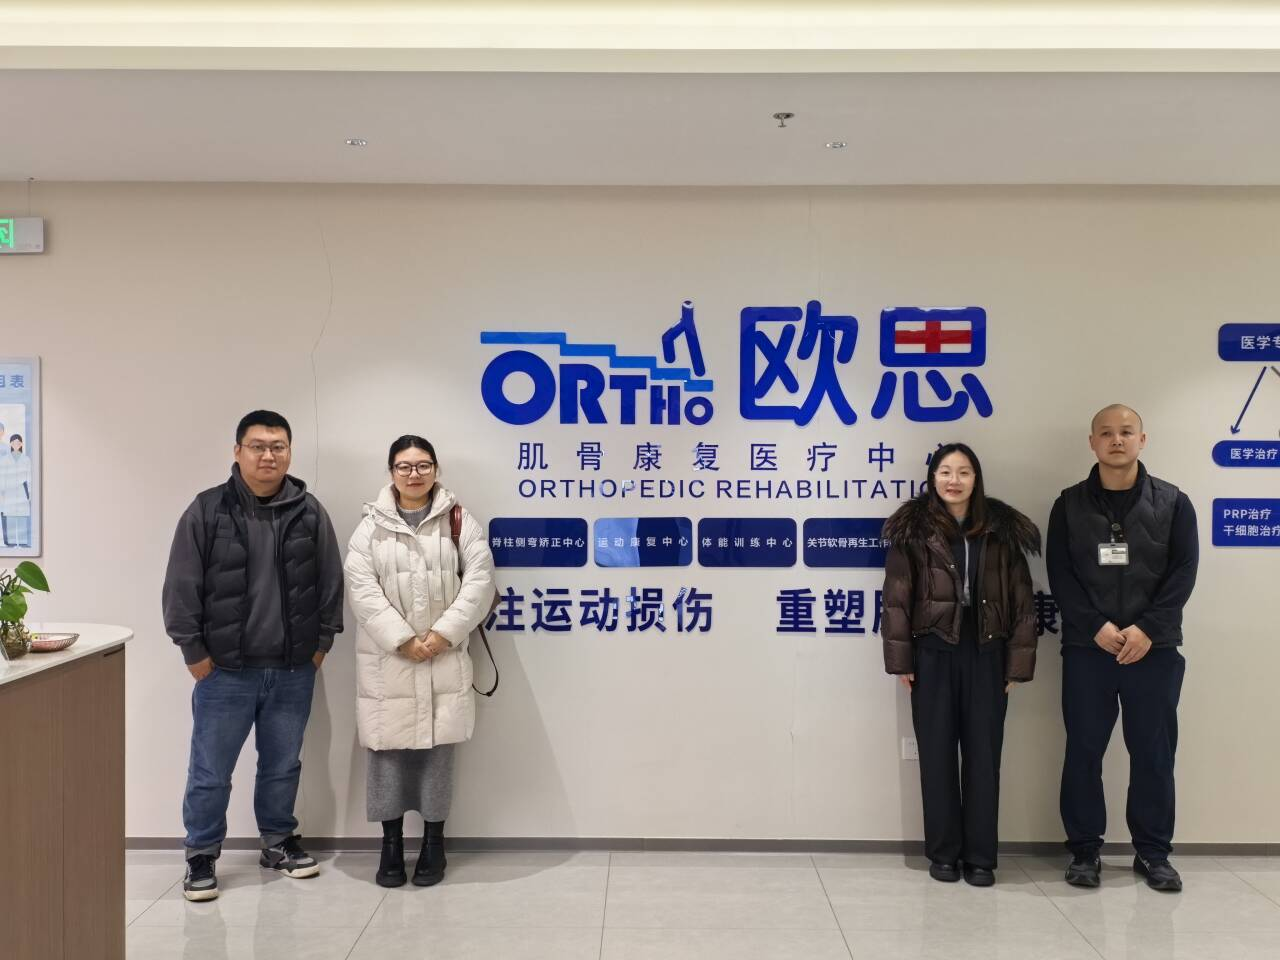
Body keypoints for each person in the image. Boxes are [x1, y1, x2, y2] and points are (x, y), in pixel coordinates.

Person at [162, 410, 344, 901]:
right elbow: (181, 585)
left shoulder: (309, 512)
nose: (268, 455)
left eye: (278, 446)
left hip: (292, 669)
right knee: (210, 771)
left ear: (289, 452)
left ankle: (278, 842)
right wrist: (193, 651)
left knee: (283, 764)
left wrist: (321, 645)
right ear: (238, 451)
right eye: (258, 446)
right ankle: (201, 855)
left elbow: (331, 583)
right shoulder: (207, 510)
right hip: (225, 671)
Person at [1048, 405, 1198, 892]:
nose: (1117, 440)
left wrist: (1147, 629)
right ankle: (1084, 851)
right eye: (1107, 433)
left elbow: (1184, 572)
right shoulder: (1068, 504)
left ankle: (1153, 854)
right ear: (1092, 442)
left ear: (1142, 440)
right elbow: (1060, 574)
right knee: (1084, 751)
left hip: (1154, 650)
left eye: (1126, 432)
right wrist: (1095, 626)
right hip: (1088, 649)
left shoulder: (1174, 503)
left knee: (1154, 753)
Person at [882, 442, 1039, 886]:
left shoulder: (1000, 531)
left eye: (964, 472)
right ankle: (944, 854)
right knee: (936, 757)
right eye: (946, 471)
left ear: (976, 479)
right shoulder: (913, 531)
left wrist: (1016, 666)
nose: (954, 480)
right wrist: (902, 662)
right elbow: (896, 599)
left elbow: (1023, 600)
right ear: (933, 478)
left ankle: (981, 858)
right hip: (933, 652)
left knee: (984, 758)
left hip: (987, 652)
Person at [344, 435, 495, 887]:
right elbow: (361, 590)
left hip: (442, 656)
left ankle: (434, 844)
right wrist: (403, 640)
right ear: (391, 472)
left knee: (437, 754)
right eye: (405, 466)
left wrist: (443, 634)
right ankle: (390, 846)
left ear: (436, 469)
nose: (414, 474)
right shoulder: (369, 527)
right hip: (387, 661)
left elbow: (481, 580)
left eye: (423, 465)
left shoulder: (459, 520)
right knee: (386, 756)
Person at [0, 433, 32, 547]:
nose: (16, 444)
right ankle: (11, 542)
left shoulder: (26, 459)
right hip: (8, 491)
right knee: (10, 517)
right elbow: (2, 477)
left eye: (18, 442)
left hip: (22, 491)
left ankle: (22, 542)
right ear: (10, 444)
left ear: (21, 444)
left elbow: (29, 477)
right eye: (13, 442)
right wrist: (2, 492)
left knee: (22, 517)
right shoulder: (4, 460)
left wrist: (29, 494)